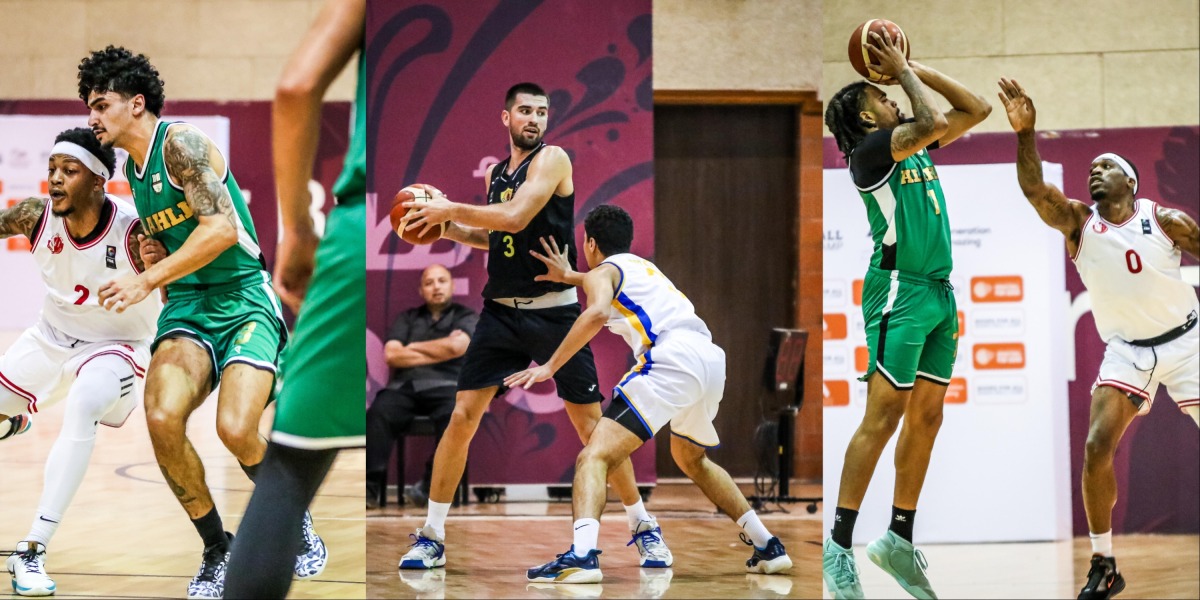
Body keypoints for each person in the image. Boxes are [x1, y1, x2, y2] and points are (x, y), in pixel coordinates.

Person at [76, 46, 324, 599]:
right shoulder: (134, 172)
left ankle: (293, 518)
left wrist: (144, 278)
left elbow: (220, 231)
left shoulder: (181, 144)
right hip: (188, 305)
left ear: (136, 104)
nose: (92, 116)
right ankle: (217, 549)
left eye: (101, 104)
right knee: (162, 417)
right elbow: (174, 238)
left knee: (235, 428)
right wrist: (149, 254)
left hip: (242, 297)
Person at [398, 82, 672, 570]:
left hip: (553, 310)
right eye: (525, 111)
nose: (534, 119)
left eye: (541, 112)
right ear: (505, 118)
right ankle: (432, 536)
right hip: (501, 311)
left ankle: (642, 525)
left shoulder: (554, 160)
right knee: (462, 416)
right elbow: (500, 234)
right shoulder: (498, 173)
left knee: (593, 428)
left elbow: (517, 214)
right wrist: (449, 229)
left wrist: (448, 209)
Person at [505, 205, 793, 583]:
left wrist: (549, 366)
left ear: (590, 243)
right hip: (708, 358)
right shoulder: (644, 268)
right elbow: (602, 284)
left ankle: (582, 556)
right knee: (693, 460)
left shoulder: (604, 272)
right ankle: (768, 545)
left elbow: (594, 313)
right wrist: (572, 275)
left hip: (670, 358)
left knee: (593, 457)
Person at [997, 77, 1200, 600]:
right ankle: (1104, 563)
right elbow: (1033, 190)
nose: (1094, 170)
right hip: (1128, 352)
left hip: (1186, 347)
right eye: (1092, 168)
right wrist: (1026, 133)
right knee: (1095, 448)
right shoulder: (1078, 224)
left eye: (1105, 165)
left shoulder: (1167, 221)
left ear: (1130, 182)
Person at [820, 30, 991, 600]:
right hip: (899, 288)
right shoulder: (870, 153)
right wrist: (903, 74)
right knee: (885, 411)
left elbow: (975, 109)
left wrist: (913, 65)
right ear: (865, 119)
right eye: (881, 96)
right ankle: (838, 547)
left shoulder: (910, 142)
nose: (892, 97)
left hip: (939, 293)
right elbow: (934, 122)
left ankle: (897, 538)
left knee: (928, 417)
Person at [222, 0, 368, 596]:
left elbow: (295, 85)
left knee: (291, 467)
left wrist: (299, 232)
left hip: (384, 222)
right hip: (489, 231)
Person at [0, 129, 159, 597]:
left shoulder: (134, 233)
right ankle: (13, 421)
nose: (55, 180)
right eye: (52, 169)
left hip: (117, 345)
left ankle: (32, 548)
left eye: (68, 172)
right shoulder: (35, 216)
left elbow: (173, 286)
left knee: (85, 400)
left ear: (98, 181)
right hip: (49, 339)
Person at [367, 264, 478, 507]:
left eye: (441, 281)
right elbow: (392, 355)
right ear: (421, 290)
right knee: (379, 412)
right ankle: (370, 488)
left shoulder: (466, 316)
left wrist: (412, 347)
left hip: (447, 386)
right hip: (405, 387)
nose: (436, 287)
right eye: (429, 282)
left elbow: (457, 347)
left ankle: (430, 487)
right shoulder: (407, 318)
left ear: (452, 285)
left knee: (456, 417)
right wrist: (443, 347)